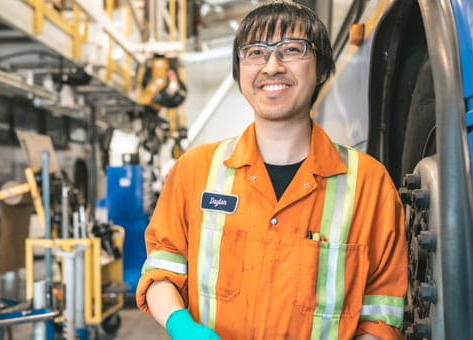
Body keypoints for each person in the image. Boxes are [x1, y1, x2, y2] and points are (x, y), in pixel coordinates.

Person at [136, 1, 406, 339]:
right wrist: (182, 326)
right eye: (255, 53)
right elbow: (162, 271)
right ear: (240, 71)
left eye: (291, 50)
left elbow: (381, 313)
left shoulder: (370, 183)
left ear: (322, 68)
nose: (272, 66)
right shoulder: (195, 171)